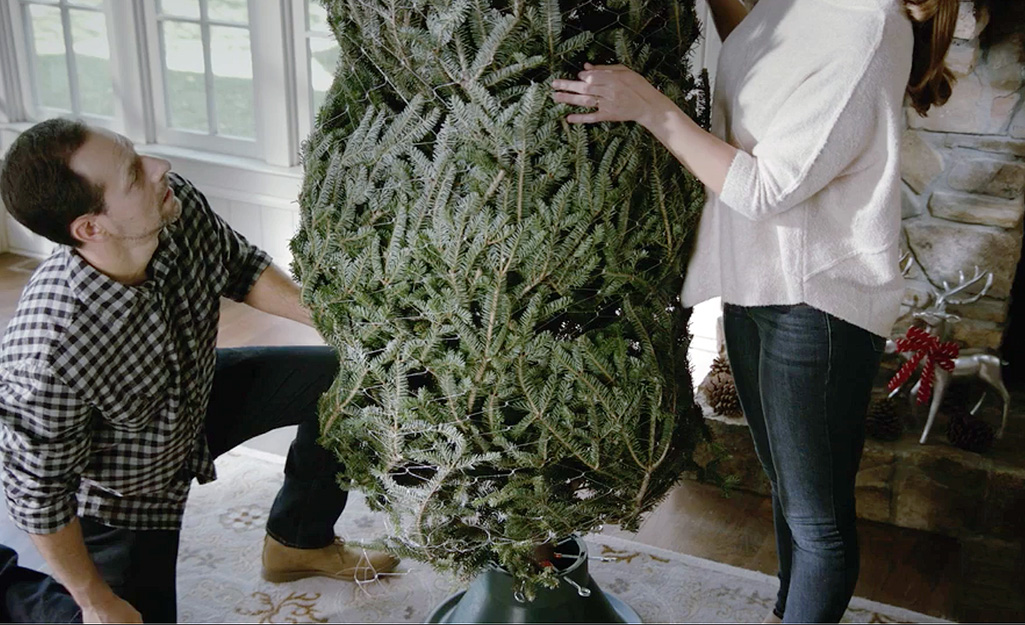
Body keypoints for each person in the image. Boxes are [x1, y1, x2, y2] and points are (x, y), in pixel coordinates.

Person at [552, 0, 956, 622]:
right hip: (758, 283)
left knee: (816, 521)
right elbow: (761, 51)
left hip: (816, 304)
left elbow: (768, 188)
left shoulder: (870, 27)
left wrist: (651, 108)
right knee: (791, 496)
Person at [0, 118, 399, 623]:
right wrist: (94, 599)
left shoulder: (169, 207)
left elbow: (240, 268)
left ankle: (298, 541)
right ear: (90, 228)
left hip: (193, 398)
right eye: (132, 174)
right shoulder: (48, 356)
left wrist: (349, 326)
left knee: (345, 379)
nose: (159, 167)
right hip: (127, 493)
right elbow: (40, 500)